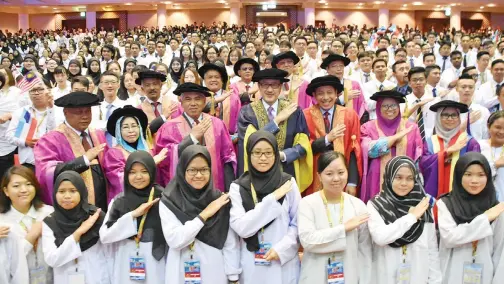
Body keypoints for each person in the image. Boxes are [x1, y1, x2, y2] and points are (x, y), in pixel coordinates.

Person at [159, 145, 241, 284]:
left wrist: (233, 277)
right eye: (192, 170)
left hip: (214, 272)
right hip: (180, 272)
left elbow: (230, 243)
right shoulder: (169, 201)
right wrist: (204, 215)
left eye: (204, 169)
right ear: (182, 170)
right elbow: (175, 240)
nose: (198, 175)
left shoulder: (219, 200)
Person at [229, 131, 300, 283]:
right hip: (251, 262)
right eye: (257, 153)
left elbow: (297, 223)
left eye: (268, 153)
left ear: (276, 154)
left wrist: (282, 249)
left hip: (282, 262)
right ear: (249, 154)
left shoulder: (288, 183)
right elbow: (241, 228)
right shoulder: (238, 187)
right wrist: (272, 199)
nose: (263, 158)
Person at [297, 151, 372, 284]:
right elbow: (308, 241)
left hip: (350, 275)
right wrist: (343, 229)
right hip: (315, 275)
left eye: (341, 172)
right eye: (329, 174)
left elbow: (364, 251)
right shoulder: (308, 203)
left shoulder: (358, 205)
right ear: (319, 176)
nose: (336, 178)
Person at [367, 156, 442, 284]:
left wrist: (435, 280)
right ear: (389, 177)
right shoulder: (376, 205)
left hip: (418, 276)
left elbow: (431, 249)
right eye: (398, 177)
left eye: (410, 178)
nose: (404, 183)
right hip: (386, 276)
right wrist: (411, 217)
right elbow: (380, 237)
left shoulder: (423, 205)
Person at [237, 68, 312, 193]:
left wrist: (283, 155)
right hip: (258, 174)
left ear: (281, 87)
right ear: (259, 87)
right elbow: (249, 142)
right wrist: (276, 121)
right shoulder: (247, 112)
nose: (270, 90)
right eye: (265, 85)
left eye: (275, 85)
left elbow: (304, 145)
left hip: (288, 171)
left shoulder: (294, 110)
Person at [99, 151, 167, 284]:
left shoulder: (163, 198)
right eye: (132, 172)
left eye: (144, 171)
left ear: (152, 172)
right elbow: (105, 236)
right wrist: (132, 216)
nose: (138, 177)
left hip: (156, 264)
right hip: (126, 261)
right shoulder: (119, 201)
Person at [154, 82, 236, 190]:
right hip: (183, 192)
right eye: (188, 99)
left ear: (204, 101)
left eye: (197, 99)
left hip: (215, 188)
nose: (193, 103)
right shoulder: (168, 127)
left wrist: (228, 190)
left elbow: (227, 158)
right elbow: (163, 160)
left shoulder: (217, 124)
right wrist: (191, 138)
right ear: (181, 102)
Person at [34, 92, 108, 210]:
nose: (85, 116)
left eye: (88, 111)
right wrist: (83, 160)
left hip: (103, 203)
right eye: (79, 112)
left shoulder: (97, 135)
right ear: (65, 113)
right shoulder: (50, 140)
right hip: (73, 207)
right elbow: (46, 172)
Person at [437, 152, 504, 284]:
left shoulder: (496, 209)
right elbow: (451, 238)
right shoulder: (446, 204)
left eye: (481, 175)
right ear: (458, 175)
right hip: (451, 276)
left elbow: (500, 252)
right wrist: (485, 219)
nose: (474, 181)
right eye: (468, 174)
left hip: (485, 277)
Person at [42, 171, 109, 284]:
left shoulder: (96, 217)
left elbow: (109, 254)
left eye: (73, 191)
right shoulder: (50, 222)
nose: (67, 196)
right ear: (54, 194)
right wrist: (77, 234)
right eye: (61, 191)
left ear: (82, 192)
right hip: (65, 278)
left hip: (97, 277)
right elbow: (52, 259)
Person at [303, 75, 362, 196]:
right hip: (314, 176)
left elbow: (354, 150)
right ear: (314, 95)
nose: (325, 97)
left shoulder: (350, 115)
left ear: (337, 94)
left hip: (342, 176)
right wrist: (327, 139)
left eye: (330, 92)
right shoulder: (305, 116)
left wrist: (352, 182)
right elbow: (304, 148)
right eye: (320, 93)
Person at [360, 90, 422, 203]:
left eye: (393, 105)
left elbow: (418, 156)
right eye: (385, 106)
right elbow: (370, 151)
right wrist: (395, 138)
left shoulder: (411, 127)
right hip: (376, 179)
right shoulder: (368, 127)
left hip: (405, 181)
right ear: (378, 107)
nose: (390, 109)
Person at [0, 165, 54, 283]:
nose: (24, 190)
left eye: (29, 184)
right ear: (6, 191)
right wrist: (31, 237)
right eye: (16, 186)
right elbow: (8, 262)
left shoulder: (49, 213)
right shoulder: (2, 222)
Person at [103, 105, 167, 203]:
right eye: (125, 127)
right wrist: (151, 163)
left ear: (140, 128)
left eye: (134, 126)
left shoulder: (149, 151)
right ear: (118, 131)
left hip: (152, 199)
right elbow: (119, 180)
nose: (131, 131)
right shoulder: (114, 154)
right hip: (127, 202)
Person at [420, 100, 480, 198]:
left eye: (454, 115)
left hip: (461, 197)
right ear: (438, 117)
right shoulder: (430, 142)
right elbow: (423, 165)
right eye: (445, 115)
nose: (450, 118)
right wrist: (446, 152)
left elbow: (476, 170)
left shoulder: (468, 142)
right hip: (435, 195)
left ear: (459, 118)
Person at [198, 63, 241, 137]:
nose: (213, 80)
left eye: (217, 77)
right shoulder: (199, 98)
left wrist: (236, 135)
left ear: (222, 80)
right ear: (204, 80)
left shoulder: (233, 98)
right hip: (205, 140)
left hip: (229, 140)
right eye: (210, 77)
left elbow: (239, 119)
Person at [320, 54, 368, 121]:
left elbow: (363, 108)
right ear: (327, 69)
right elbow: (319, 106)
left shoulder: (354, 85)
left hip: (352, 124)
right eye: (334, 66)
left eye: (341, 66)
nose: (339, 69)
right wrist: (343, 98)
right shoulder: (321, 86)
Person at [478, 111, 504, 201]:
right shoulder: (478, 146)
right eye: (498, 127)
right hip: (480, 201)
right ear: (489, 126)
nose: (501, 132)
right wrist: (496, 164)